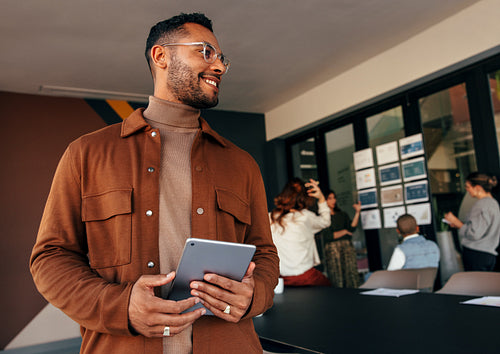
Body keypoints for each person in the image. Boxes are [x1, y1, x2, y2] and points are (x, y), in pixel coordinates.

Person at [30, 13, 279, 354]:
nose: (219, 66)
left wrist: (255, 295)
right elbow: (51, 258)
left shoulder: (242, 163)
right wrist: (120, 306)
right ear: (161, 56)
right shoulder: (86, 154)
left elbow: (265, 253)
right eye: (206, 52)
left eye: (222, 58)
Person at [270, 178, 331, 286]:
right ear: (305, 198)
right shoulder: (305, 216)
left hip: (280, 280)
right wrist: (321, 198)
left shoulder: (269, 217)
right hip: (306, 277)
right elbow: (326, 221)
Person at [444, 172, 500, 271]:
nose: (466, 189)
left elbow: (474, 233)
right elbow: (482, 229)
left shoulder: (481, 205)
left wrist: (457, 222)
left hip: (476, 254)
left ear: (477, 187)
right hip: (488, 254)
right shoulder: (493, 203)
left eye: (468, 186)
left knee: (477, 285)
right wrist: (460, 225)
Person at [321, 190, 361, 288]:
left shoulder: (342, 214)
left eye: (334, 198)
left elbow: (352, 228)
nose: (333, 200)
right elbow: (329, 236)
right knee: (336, 275)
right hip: (333, 249)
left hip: (347, 247)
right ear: (324, 201)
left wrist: (357, 212)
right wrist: (344, 232)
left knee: (350, 273)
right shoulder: (323, 218)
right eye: (330, 198)